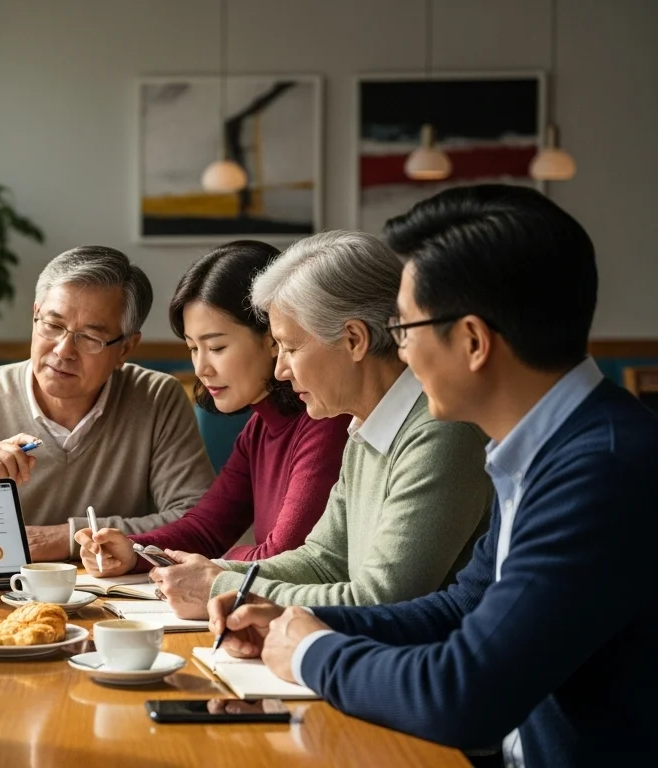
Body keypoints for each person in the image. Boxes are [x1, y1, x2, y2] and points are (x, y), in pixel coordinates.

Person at [208, 185, 658, 767]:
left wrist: (312, 652)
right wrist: (302, 622)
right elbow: (460, 608)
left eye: (407, 329)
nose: (403, 354)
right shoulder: (546, 448)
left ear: (472, 341)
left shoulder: (602, 467)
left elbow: (466, 692)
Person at [144, 230, 494, 619]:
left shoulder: (440, 433)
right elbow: (322, 560)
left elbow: (381, 599)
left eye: (291, 348)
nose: (280, 368)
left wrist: (221, 585)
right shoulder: (365, 427)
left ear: (354, 339)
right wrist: (216, 573)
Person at [0, 245, 217, 561]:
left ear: (125, 348)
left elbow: (199, 520)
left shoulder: (157, 398)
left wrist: (63, 539)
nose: (64, 350)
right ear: (35, 314)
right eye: (52, 326)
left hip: (119, 601)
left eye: (90, 337)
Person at [75, 241, 350, 575]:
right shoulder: (260, 427)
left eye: (216, 347)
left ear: (273, 337)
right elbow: (206, 529)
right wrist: (132, 551)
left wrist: (207, 565)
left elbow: (282, 556)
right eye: (193, 348)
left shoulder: (326, 419)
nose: (201, 368)